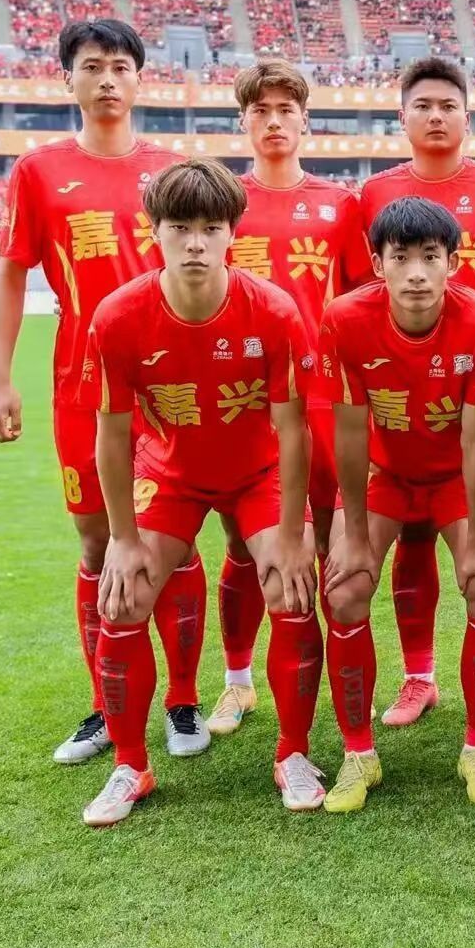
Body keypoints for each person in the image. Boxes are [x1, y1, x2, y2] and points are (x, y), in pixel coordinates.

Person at [0, 18, 194, 767]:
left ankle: (182, 700)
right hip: (82, 379)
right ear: (68, 78)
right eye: (93, 66)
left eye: (121, 67)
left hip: (169, 380)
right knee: (98, 540)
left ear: (140, 79)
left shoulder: (172, 170)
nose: (108, 79)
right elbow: (12, 273)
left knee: (175, 537)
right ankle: (110, 703)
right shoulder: (38, 172)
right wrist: (0, 379)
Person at [79, 158, 313, 826]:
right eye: (179, 227)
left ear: (233, 233)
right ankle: (131, 766)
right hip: (170, 473)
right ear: (153, 231)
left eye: (211, 228)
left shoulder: (273, 310)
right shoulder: (118, 316)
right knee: (124, 597)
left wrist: (291, 535)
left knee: (292, 587)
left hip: (258, 473)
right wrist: (122, 540)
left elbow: (293, 431)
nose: (195, 244)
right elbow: (111, 436)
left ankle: (294, 754)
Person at [315, 196, 475, 811]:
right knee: (344, 588)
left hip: (458, 475)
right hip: (386, 475)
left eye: (430, 257)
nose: (416, 274)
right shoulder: (344, 319)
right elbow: (349, 431)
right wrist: (352, 535)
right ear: (377, 263)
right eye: (400, 258)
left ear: (453, 261)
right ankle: (358, 755)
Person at [358, 58, 475, 729]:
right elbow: (356, 288)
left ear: (469, 116)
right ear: (401, 117)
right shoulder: (374, 193)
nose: (436, 116)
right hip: (403, 388)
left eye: (448, 105)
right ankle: (419, 677)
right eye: (423, 105)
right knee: (410, 534)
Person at [203, 58, 374, 739]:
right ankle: (238, 681)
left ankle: (333, 681)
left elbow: (363, 299)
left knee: (332, 539)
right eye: (260, 111)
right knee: (245, 544)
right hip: (243, 401)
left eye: (285, 111)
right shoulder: (223, 203)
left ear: (306, 122)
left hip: (325, 398)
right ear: (243, 121)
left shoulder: (342, 205)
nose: (273, 123)